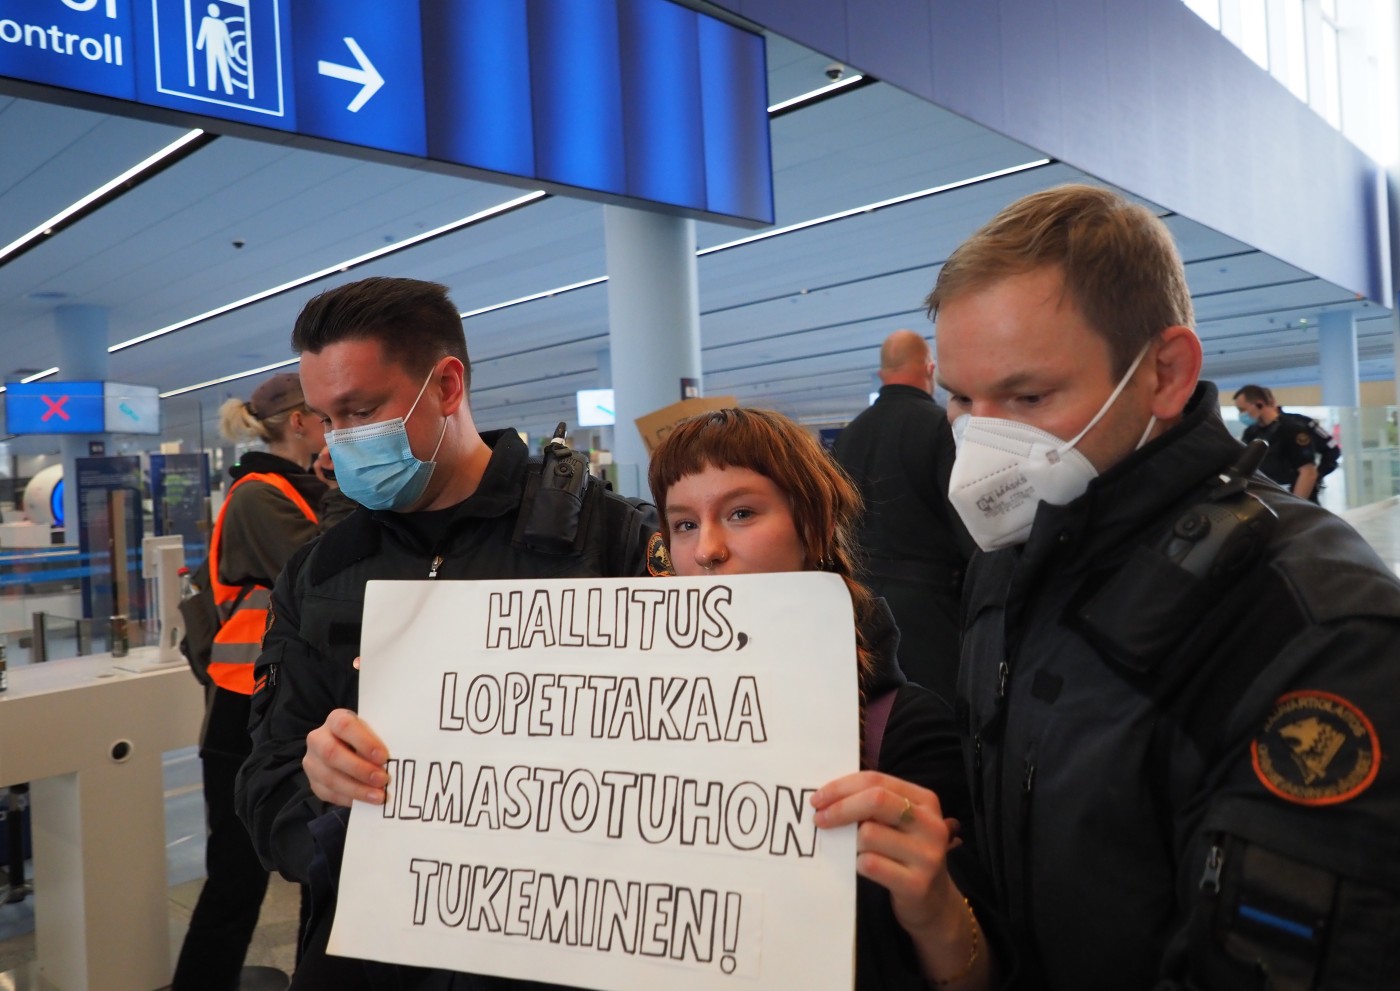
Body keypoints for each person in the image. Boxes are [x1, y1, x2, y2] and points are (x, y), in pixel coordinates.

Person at [928, 183, 1400, 989]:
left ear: (1166, 372)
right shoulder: (1010, 563)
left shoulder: (1313, 621)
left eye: (1027, 396)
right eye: (962, 402)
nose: (982, 441)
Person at [234, 277, 658, 989]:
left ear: (447, 384)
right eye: (327, 419)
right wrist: (321, 794)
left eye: (361, 410)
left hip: (555, 957)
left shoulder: (607, 541)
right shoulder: (321, 570)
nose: (337, 445)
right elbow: (264, 786)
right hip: (367, 961)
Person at [650, 407, 994, 991]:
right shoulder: (633, 723)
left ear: (811, 527)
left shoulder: (905, 733)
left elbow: (979, 973)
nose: (706, 549)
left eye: (741, 513)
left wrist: (934, 906)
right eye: (683, 524)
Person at [173, 372, 329, 990]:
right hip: (242, 714)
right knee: (236, 879)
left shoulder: (295, 489)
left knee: (314, 863)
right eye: (329, 416)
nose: (336, 430)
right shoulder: (258, 496)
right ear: (299, 422)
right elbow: (319, 570)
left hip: (283, 704)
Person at [832, 329, 974, 699]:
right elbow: (965, 522)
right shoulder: (940, 426)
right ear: (930, 369)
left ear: (882, 375)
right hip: (930, 608)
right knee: (937, 715)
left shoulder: (850, 435)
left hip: (860, 601)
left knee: (880, 714)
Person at [1233, 384, 1339, 502]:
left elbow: (1308, 473)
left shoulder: (1292, 429)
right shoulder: (1251, 433)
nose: (1241, 415)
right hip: (1267, 499)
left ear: (1259, 404)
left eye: (1242, 409)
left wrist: (1296, 506)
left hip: (1290, 499)